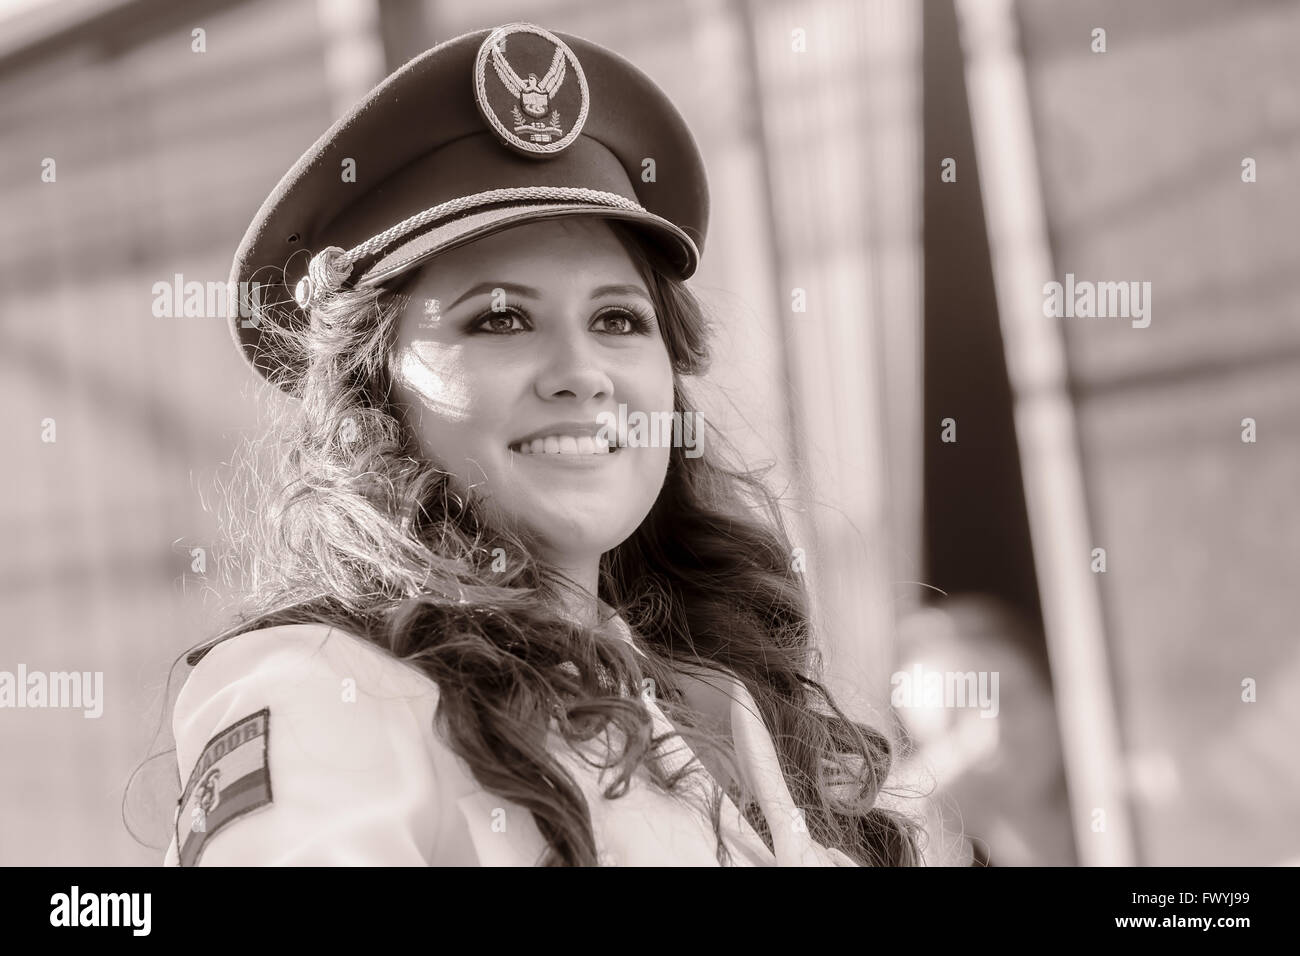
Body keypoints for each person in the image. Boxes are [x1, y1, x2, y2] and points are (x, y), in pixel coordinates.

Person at [162, 21, 923, 867]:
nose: (582, 372)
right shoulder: (319, 682)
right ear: (370, 392)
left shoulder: (729, 708)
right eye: (500, 318)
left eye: (618, 320)